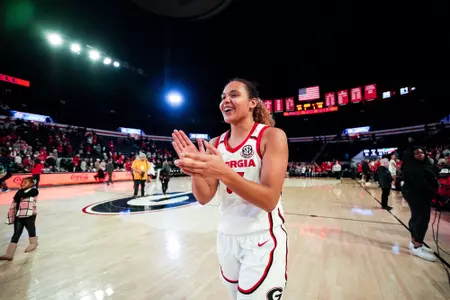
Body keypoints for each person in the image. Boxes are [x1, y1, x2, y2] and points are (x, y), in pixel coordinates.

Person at [172, 78, 288, 299]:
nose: (226, 100)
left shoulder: (271, 136)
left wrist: (223, 171)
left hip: (262, 238)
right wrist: (196, 170)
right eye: (223, 97)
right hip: (226, 237)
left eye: (234, 95)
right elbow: (204, 197)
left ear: (253, 102)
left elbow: (269, 200)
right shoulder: (216, 143)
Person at [402, 146, 441, 262]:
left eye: (422, 152)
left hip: (421, 194)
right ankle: (417, 247)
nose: (420, 154)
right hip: (416, 195)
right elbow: (422, 184)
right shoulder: (412, 167)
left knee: (417, 218)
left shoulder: (426, 163)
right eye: (417, 153)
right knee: (421, 219)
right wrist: (439, 197)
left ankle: (414, 241)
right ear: (412, 156)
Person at [0, 177, 39, 261]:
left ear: (32, 184)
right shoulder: (20, 192)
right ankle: (9, 253)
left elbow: (23, 195)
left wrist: (20, 191)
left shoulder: (34, 191)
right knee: (16, 233)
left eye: (26, 182)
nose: (23, 183)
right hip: (19, 215)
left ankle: (33, 243)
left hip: (30, 215)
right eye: (23, 182)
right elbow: (16, 199)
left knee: (30, 229)